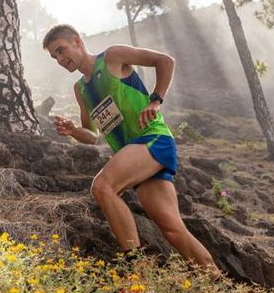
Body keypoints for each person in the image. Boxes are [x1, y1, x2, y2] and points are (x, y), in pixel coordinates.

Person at [43, 24, 217, 273]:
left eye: (61, 50)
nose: (60, 59)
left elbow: (165, 61)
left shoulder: (112, 56)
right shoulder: (80, 89)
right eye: (54, 57)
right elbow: (92, 136)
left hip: (153, 139)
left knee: (103, 187)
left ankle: (136, 275)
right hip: (138, 156)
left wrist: (155, 101)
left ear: (77, 42)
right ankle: (218, 285)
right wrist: (73, 131)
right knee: (172, 229)